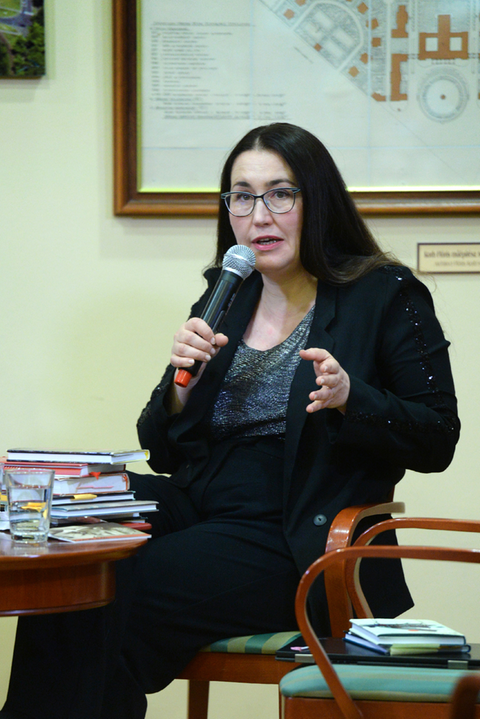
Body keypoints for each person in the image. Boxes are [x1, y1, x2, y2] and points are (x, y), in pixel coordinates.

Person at [1, 123, 460, 719]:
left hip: (295, 529)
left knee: (120, 589)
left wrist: (353, 397)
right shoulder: (228, 292)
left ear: (318, 200)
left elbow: (438, 436)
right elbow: (162, 449)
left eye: (280, 194)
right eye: (242, 197)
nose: (259, 215)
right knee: (76, 558)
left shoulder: (384, 293)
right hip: (201, 502)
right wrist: (179, 396)